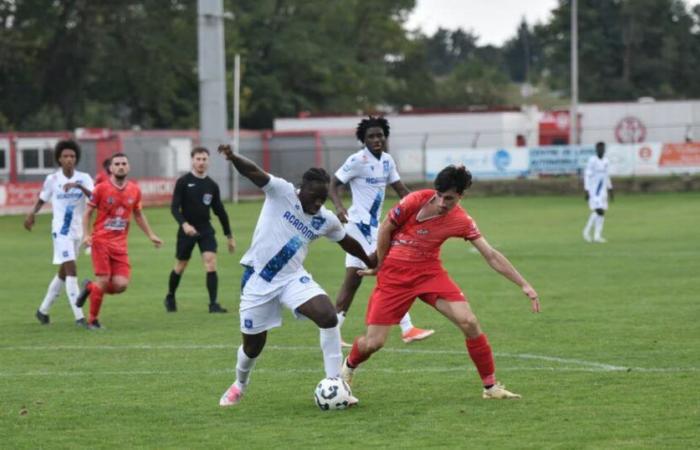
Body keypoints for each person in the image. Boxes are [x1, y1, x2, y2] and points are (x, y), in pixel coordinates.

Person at [340, 165, 541, 400]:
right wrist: (381, 264)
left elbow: (491, 255)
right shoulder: (414, 200)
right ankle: (349, 366)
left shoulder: (462, 220)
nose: (445, 203)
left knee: (469, 322)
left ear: (461, 197)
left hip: (429, 273)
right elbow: (385, 228)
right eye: (442, 197)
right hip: (395, 275)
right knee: (374, 343)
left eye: (451, 199)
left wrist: (524, 284)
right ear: (435, 192)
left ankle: (491, 387)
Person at [216, 144, 376, 408]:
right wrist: (233, 157)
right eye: (313, 196)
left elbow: (346, 242)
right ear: (302, 189)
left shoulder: (325, 219)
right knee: (253, 347)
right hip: (259, 280)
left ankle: (335, 384)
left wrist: (371, 260)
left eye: (322, 198)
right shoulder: (281, 192)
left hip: (292, 279)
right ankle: (239, 384)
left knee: (328, 317)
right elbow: (254, 172)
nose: (317, 203)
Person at [330, 116, 434, 345]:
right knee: (386, 267)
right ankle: (407, 328)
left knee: (352, 281)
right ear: (363, 140)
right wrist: (338, 206)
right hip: (358, 225)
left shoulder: (387, 161)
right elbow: (333, 183)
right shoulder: (357, 160)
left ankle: (332, 333)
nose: (376, 139)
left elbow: (400, 189)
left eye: (379, 135)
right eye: (371, 136)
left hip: (372, 226)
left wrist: (424, 206)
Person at [75, 153, 163, 329]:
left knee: (121, 285)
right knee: (104, 279)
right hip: (101, 241)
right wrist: (86, 235)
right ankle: (92, 320)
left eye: (124, 163)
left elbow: (138, 214)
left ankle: (90, 287)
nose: (121, 166)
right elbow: (87, 213)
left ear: (128, 167)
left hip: (120, 244)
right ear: (111, 168)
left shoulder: (134, 190)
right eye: (117, 164)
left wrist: (151, 235)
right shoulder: (100, 188)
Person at [24, 140, 94, 326]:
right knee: (71, 270)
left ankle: (43, 310)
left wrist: (79, 187)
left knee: (63, 273)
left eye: (72, 156)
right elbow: (42, 199)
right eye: (65, 156)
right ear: (59, 159)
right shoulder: (52, 180)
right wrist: (32, 214)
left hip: (77, 231)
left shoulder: (84, 178)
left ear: (76, 159)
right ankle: (79, 317)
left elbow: (95, 197)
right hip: (60, 232)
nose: (69, 159)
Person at [165, 146, 235, 313]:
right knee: (181, 265)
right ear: (192, 160)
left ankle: (213, 304)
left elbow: (220, 212)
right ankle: (170, 296)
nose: (201, 162)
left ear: (208, 161)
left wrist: (229, 235)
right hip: (186, 231)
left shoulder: (212, 185)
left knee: (210, 262)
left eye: (204, 159)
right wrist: (184, 224)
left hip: (205, 229)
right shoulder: (183, 182)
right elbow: (174, 208)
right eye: (198, 159)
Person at [582, 142, 613, 243]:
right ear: (596, 150)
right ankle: (586, 231)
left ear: (604, 150)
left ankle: (597, 236)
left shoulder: (606, 161)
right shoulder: (592, 161)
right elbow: (587, 175)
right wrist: (586, 189)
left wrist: (610, 189)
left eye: (602, 149)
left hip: (603, 191)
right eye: (599, 149)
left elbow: (607, 176)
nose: (600, 150)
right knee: (599, 211)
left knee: (602, 213)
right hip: (594, 190)